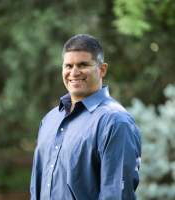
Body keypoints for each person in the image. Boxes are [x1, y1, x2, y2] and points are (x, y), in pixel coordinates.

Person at [30, 34, 141, 200]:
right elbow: (36, 188)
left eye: (83, 65)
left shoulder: (115, 121)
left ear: (102, 69)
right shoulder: (50, 119)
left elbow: (117, 195)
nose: (74, 73)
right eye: (68, 66)